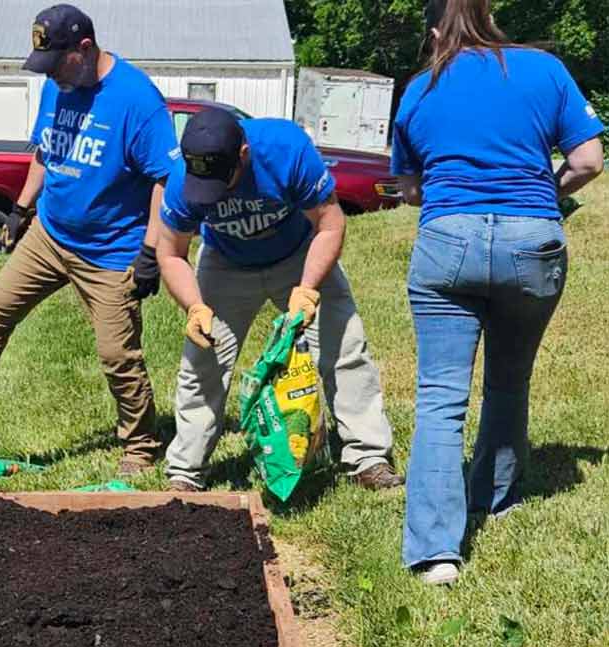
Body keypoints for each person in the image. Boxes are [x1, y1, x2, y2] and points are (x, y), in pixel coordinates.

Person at [0, 3, 180, 475]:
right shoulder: (59, 86)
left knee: (117, 354)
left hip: (110, 252)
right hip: (50, 236)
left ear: (85, 49)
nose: (51, 77)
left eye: (58, 64)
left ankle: (140, 444)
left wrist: (152, 250)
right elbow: (44, 154)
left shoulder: (137, 101)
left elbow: (163, 179)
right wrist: (20, 209)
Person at [393, 0, 604, 585]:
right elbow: (588, 160)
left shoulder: (418, 88)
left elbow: (410, 187)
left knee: (440, 395)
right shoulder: (542, 68)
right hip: (531, 241)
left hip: (447, 242)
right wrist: (548, 192)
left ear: (437, 30)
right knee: (509, 379)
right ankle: (496, 496)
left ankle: (436, 552)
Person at [156, 108, 404, 492]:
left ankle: (367, 456)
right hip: (225, 262)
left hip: (298, 254)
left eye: (223, 181)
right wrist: (195, 306)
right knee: (202, 360)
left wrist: (307, 288)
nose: (215, 192)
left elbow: (330, 222)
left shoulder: (285, 148)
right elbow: (170, 253)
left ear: (243, 153)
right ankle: (186, 471)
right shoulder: (181, 179)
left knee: (344, 347)